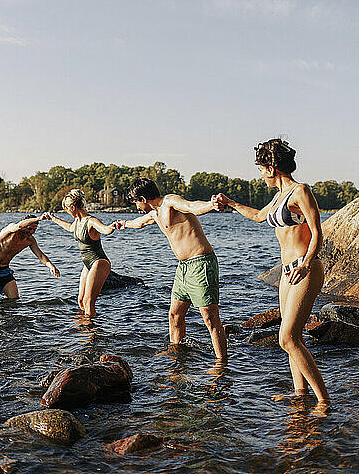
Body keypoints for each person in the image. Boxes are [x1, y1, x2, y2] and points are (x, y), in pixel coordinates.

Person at [213, 139, 329, 409]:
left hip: (304, 268)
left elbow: (317, 232)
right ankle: (300, 394)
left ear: (272, 167)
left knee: (287, 338)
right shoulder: (279, 196)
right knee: (292, 339)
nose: (260, 173)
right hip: (287, 272)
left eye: (261, 167)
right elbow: (257, 216)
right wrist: (230, 203)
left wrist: (307, 262)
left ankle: (323, 401)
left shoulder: (301, 191)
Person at [114, 178, 227, 361]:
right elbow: (139, 222)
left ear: (143, 198)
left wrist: (211, 205)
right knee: (175, 315)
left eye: (136, 202)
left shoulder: (170, 202)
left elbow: (191, 206)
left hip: (201, 264)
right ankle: (176, 354)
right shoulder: (155, 213)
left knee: (210, 318)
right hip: (183, 268)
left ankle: (221, 363)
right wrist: (124, 224)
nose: (136, 206)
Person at [45, 189, 115, 317]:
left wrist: (113, 226)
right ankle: (86, 329)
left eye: (66, 208)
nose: (66, 211)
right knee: (81, 301)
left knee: (89, 302)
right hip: (87, 264)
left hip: (99, 262)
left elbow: (105, 229)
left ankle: (92, 334)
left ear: (72, 207)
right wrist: (53, 219)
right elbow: (69, 227)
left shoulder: (91, 221)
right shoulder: (77, 222)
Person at [0, 214, 60, 301]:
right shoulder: (10, 230)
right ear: (24, 225)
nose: (31, 232)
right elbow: (19, 225)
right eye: (29, 228)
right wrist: (39, 218)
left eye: (34, 229)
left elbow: (40, 255)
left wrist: (51, 266)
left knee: (14, 301)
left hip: (4, 271)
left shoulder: (30, 240)